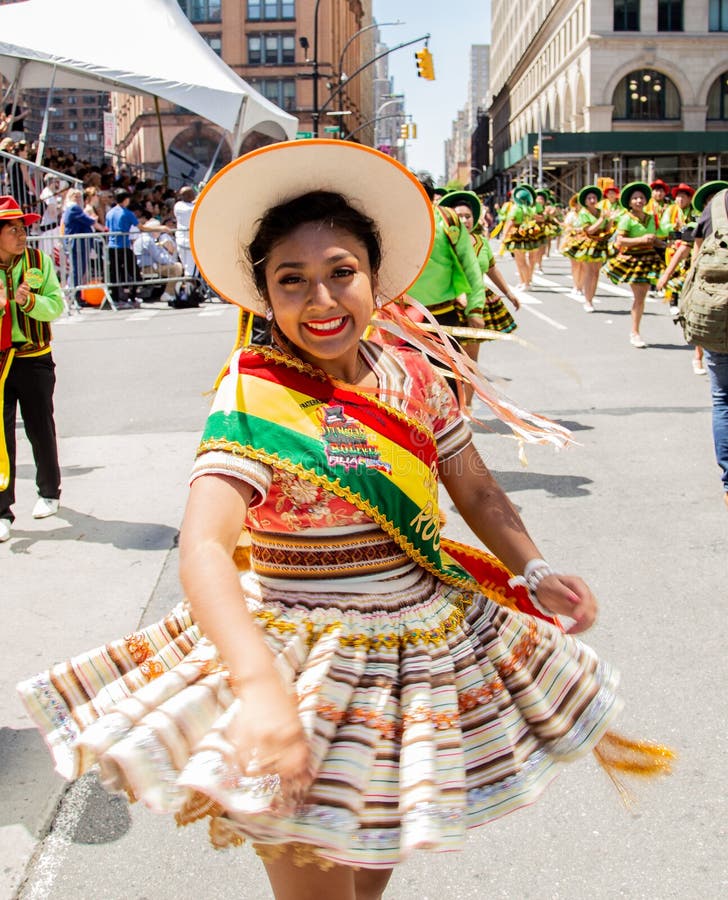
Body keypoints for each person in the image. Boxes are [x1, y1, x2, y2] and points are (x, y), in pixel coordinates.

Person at [17, 141, 672, 898]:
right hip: (300, 667)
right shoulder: (252, 397)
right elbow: (203, 548)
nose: (321, 301)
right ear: (264, 295)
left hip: (408, 663)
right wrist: (260, 686)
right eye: (292, 281)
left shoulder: (418, 374)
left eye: (341, 273)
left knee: (369, 875)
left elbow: (475, 487)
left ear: (375, 279)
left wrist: (534, 567)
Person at [0, 195, 65, 542]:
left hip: (34, 358)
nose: (22, 234)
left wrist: (29, 301)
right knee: (0, 436)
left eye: (23, 228)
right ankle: (2, 509)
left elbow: (56, 306)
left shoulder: (38, 261)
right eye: (13, 229)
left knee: (40, 428)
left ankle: (49, 492)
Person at [438, 189, 520, 409]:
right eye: (459, 216)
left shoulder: (482, 243)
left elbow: (492, 269)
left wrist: (509, 293)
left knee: (470, 361)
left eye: (468, 216)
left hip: (477, 304)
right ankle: (449, 407)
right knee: (449, 361)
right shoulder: (441, 242)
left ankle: (466, 407)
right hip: (448, 307)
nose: (464, 220)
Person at [689, 181, 728, 508]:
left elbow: (696, 260)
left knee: (723, 399)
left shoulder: (716, 205)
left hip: (718, 315)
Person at [604, 181, 668, 348]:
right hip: (633, 260)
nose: (639, 201)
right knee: (639, 297)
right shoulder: (626, 218)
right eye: (635, 198)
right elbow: (620, 241)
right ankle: (635, 332)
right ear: (630, 202)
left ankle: (635, 330)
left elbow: (654, 239)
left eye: (641, 198)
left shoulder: (651, 218)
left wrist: (667, 245)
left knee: (642, 296)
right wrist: (640, 239)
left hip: (650, 259)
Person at [105, 189, 169, 308]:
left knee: (115, 274)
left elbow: (107, 227)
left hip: (111, 246)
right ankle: (132, 297)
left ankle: (116, 299)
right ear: (125, 200)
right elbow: (142, 228)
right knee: (134, 273)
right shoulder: (127, 213)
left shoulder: (110, 213)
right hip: (123, 246)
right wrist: (160, 228)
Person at [570, 185, 615, 313]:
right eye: (589, 198)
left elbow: (606, 229)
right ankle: (587, 300)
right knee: (589, 272)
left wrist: (610, 220)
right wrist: (602, 219)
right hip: (588, 243)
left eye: (594, 197)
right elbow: (589, 230)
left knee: (596, 273)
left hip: (600, 244)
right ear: (585, 201)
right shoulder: (584, 213)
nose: (592, 200)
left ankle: (591, 298)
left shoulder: (601, 211)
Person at [62, 187, 105, 303]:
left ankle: (75, 295)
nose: (78, 199)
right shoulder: (74, 208)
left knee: (79, 270)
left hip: (79, 243)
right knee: (77, 270)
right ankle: (74, 295)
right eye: (75, 196)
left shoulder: (71, 208)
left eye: (79, 196)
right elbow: (89, 220)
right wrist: (94, 220)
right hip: (77, 244)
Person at [133, 209, 184, 301]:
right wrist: (171, 262)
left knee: (175, 267)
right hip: (148, 267)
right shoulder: (148, 240)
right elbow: (159, 257)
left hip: (147, 266)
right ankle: (168, 293)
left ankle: (170, 292)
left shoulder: (145, 239)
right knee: (177, 267)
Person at [173, 185, 197, 277]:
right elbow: (196, 205)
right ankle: (189, 290)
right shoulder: (192, 209)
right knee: (191, 272)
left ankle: (187, 288)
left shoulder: (177, 206)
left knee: (187, 269)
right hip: (190, 244)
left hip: (181, 242)